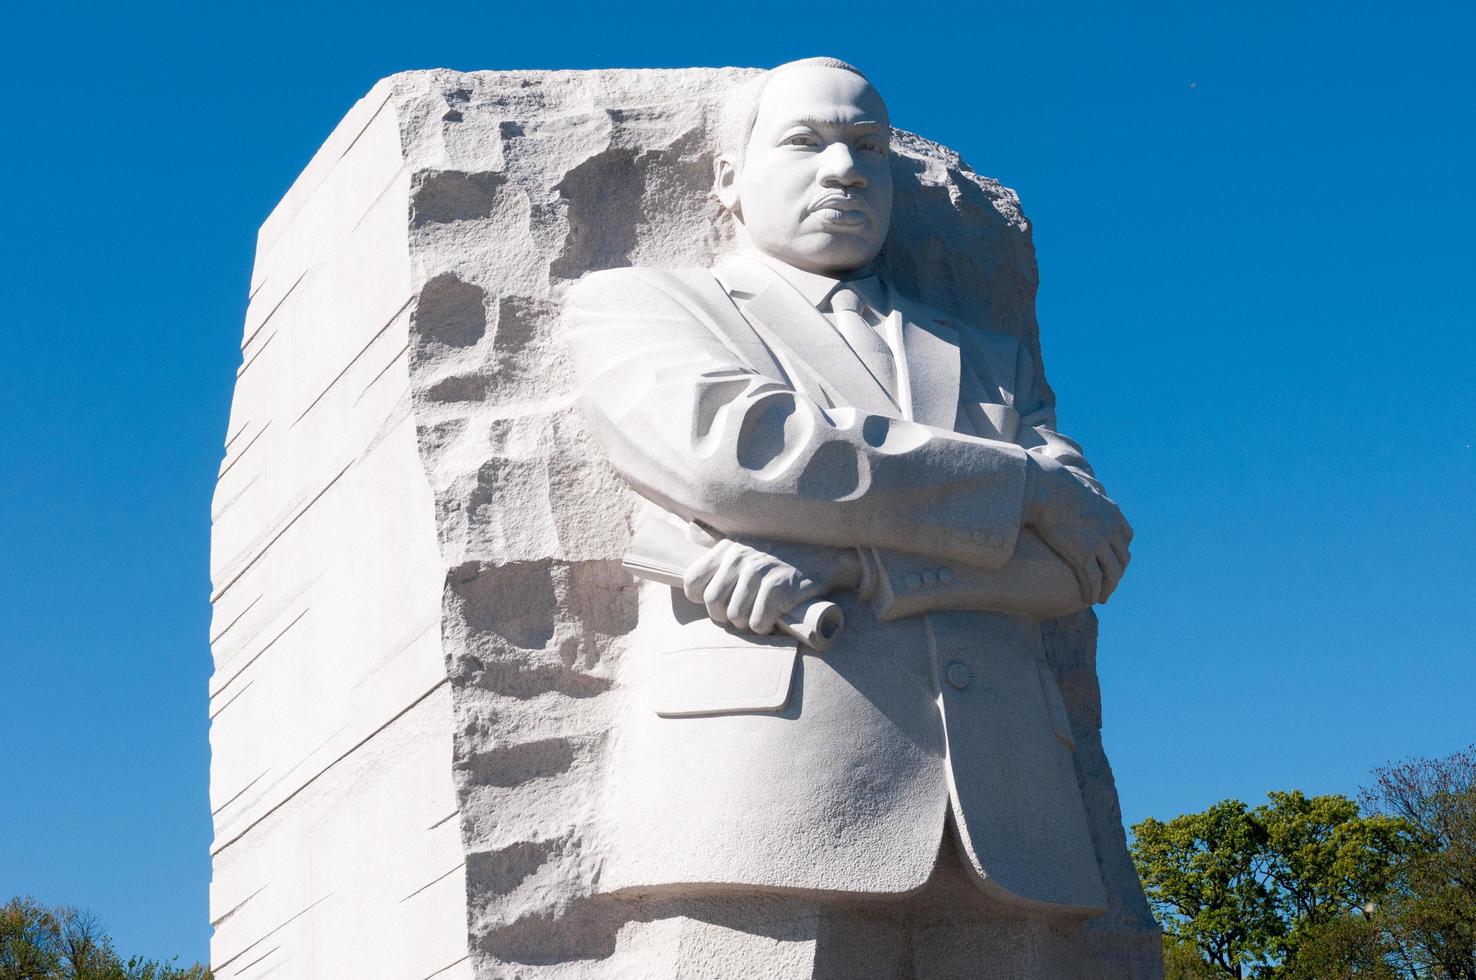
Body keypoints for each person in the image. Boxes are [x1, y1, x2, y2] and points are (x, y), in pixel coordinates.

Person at [564, 57, 1138, 974]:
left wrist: (860, 569)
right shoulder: (643, 305)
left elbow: (1085, 562)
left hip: (1016, 816)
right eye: (806, 141)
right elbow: (744, 454)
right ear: (727, 180)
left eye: (867, 146)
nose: (844, 169)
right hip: (766, 787)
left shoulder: (990, 360)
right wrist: (1022, 487)